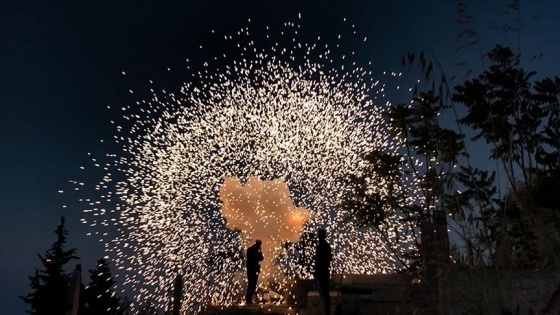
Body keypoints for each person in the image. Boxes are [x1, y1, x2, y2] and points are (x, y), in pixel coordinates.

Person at [314, 229, 332, 315]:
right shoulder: (326, 246)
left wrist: (316, 272)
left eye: (319, 234)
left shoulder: (321, 246)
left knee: (325, 294)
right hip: (324, 272)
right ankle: (327, 311)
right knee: (325, 294)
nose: (318, 236)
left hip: (322, 273)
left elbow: (319, 261)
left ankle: (327, 312)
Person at [245, 239, 263, 304]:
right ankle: (248, 300)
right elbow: (261, 258)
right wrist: (260, 251)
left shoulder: (249, 249)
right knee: (253, 285)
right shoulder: (257, 250)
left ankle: (248, 299)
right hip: (254, 269)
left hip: (249, 269)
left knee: (250, 284)